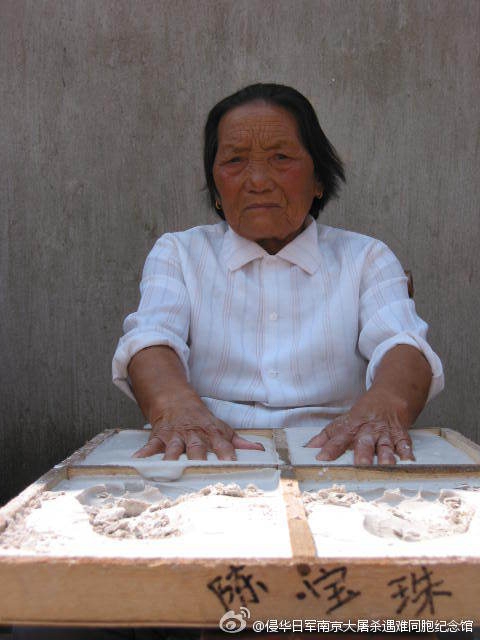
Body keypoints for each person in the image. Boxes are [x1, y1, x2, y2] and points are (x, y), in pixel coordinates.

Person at [112, 82, 444, 465]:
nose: (257, 181)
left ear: (318, 180)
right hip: (204, 448)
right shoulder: (179, 253)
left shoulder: (366, 257)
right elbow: (152, 339)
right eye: (235, 161)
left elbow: (402, 345)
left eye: (281, 158)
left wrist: (383, 409)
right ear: (216, 190)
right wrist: (174, 408)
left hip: (337, 451)